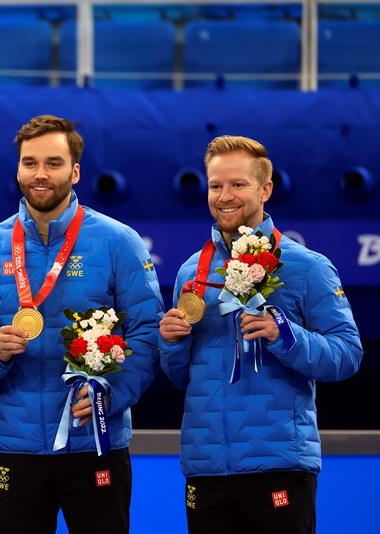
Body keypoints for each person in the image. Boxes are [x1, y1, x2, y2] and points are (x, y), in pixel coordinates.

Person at [0, 115, 163, 534]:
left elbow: (147, 333)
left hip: (95, 442)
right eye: (30, 162)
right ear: (17, 168)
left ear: (75, 171)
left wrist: (113, 396)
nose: (40, 174)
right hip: (17, 448)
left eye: (53, 163)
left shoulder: (117, 241)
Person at [158, 135, 362, 534]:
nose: (224, 196)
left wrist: (285, 336)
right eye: (216, 185)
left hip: (280, 465)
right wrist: (172, 342)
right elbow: (179, 376)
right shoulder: (190, 273)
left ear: (265, 189)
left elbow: (347, 353)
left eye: (238, 184)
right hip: (207, 467)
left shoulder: (306, 266)